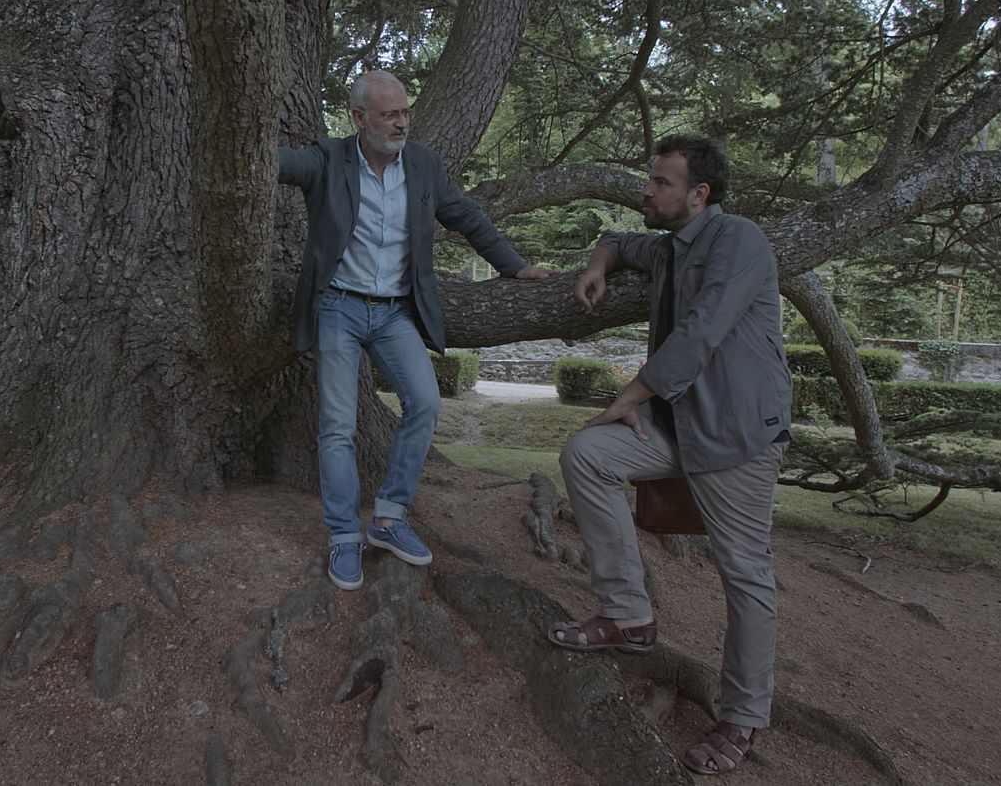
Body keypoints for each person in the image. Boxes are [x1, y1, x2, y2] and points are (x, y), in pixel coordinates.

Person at [545, 135, 792, 777]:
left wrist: (627, 398)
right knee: (587, 455)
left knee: (745, 573)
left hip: (737, 437)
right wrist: (598, 263)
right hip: (676, 426)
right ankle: (627, 617)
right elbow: (620, 240)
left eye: (660, 183)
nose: (647, 191)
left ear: (699, 194)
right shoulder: (667, 247)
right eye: (650, 179)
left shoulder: (739, 242)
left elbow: (702, 332)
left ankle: (742, 715)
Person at [277, 70, 550, 591]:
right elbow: (276, 162)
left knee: (425, 403)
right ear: (359, 118)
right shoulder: (328, 158)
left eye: (405, 112)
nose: (402, 122)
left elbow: (467, 216)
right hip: (337, 306)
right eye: (389, 114)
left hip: (395, 312)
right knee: (338, 424)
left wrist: (513, 265)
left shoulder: (423, 165)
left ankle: (388, 517)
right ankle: (342, 536)